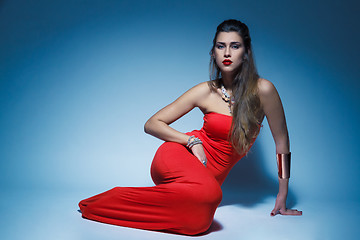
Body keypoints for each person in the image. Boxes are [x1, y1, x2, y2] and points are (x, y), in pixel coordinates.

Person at [78, 19, 302, 236]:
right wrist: (190, 141)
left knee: (199, 220)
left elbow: (282, 142)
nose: (226, 53)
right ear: (213, 53)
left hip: (203, 183)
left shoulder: (264, 90)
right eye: (220, 46)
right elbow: (151, 124)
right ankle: (106, 202)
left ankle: (118, 201)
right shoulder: (205, 91)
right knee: (211, 196)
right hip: (178, 156)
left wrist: (282, 195)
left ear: (246, 53)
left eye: (235, 46)